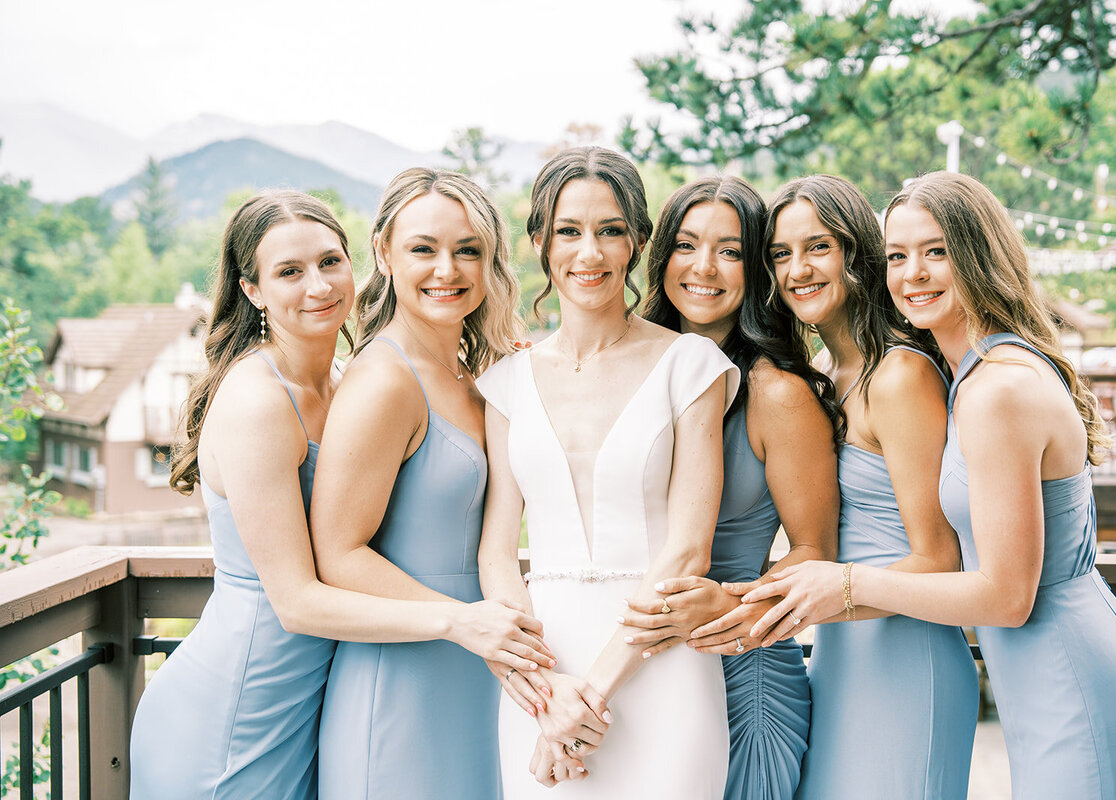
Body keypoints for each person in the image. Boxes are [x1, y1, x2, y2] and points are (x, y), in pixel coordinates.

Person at [745, 171, 1116, 799]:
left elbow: (1007, 595)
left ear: (978, 256)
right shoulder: (972, 374)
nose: (913, 273)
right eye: (899, 256)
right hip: (1034, 682)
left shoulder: (994, 388)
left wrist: (839, 584)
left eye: (936, 251)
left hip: (1074, 681)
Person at [129, 190, 546, 800]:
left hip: (310, 703)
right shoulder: (258, 403)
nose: (319, 286)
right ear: (253, 291)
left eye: (330, 262)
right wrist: (459, 621)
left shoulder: (344, 381)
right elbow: (297, 602)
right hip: (235, 712)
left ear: (359, 263)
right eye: (289, 272)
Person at [476, 146, 738, 798]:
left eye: (610, 231)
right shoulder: (505, 383)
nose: (588, 253)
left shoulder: (691, 365)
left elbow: (688, 548)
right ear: (539, 240)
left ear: (637, 243)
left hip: (660, 661)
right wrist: (547, 692)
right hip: (546, 665)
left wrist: (585, 700)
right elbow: (497, 553)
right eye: (568, 231)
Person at [309, 168, 555, 800]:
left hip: (472, 675)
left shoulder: (477, 377)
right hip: (399, 682)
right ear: (384, 254)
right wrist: (462, 621)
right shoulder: (385, 380)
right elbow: (337, 555)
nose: (447, 268)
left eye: (467, 250)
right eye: (424, 248)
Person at [738, 175, 978, 799]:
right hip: (843, 652)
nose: (798, 269)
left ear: (856, 253)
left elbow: (940, 557)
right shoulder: (820, 374)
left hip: (908, 653)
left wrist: (824, 597)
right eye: (780, 254)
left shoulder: (899, 374)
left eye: (817, 247)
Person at [615, 175, 840, 799]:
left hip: (742, 666)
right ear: (661, 258)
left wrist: (732, 604)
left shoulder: (778, 393)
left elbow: (815, 550)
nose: (704, 268)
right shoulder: (628, 375)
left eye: (732, 250)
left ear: (755, 269)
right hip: (638, 662)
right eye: (686, 245)